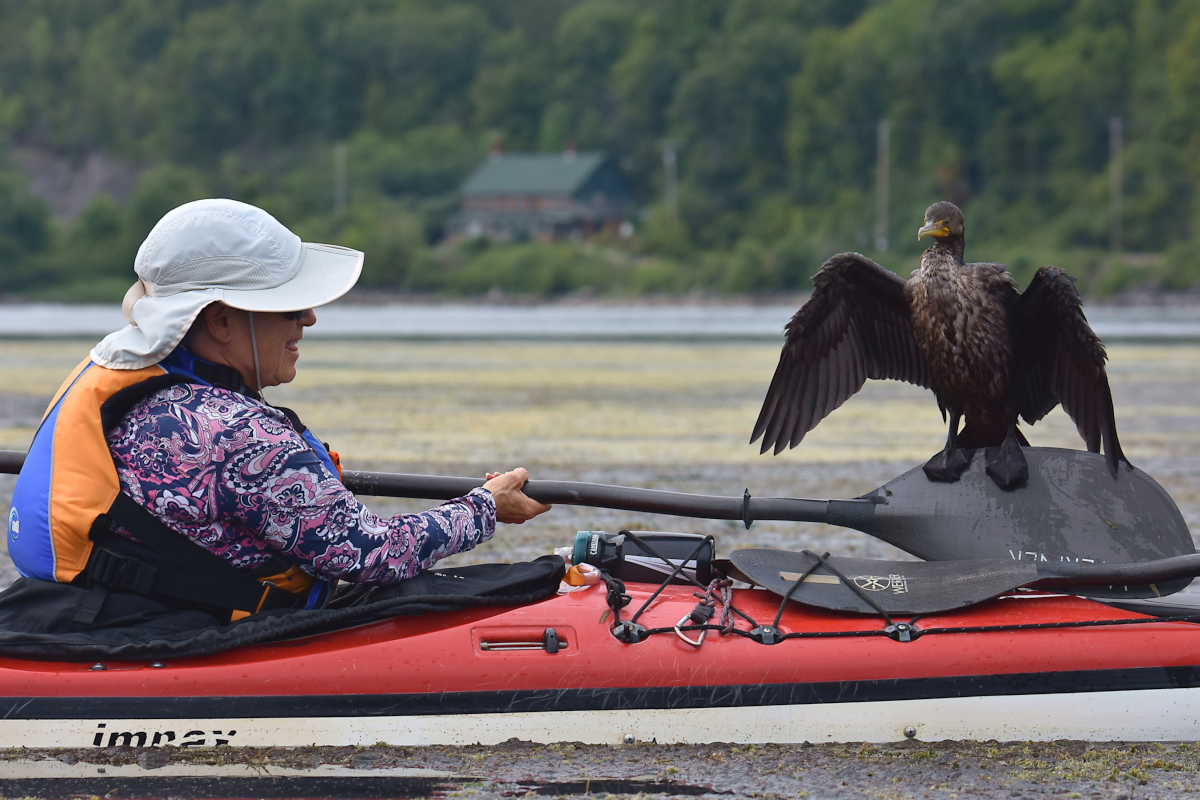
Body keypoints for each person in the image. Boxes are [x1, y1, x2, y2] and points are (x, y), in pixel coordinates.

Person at [6, 198, 550, 620]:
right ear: (219, 321)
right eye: (287, 306)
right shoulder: (238, 434)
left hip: (102, 608)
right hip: (184, 635)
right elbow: (365, 555)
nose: (308, 319)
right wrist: (485, 507)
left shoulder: (125, 383)